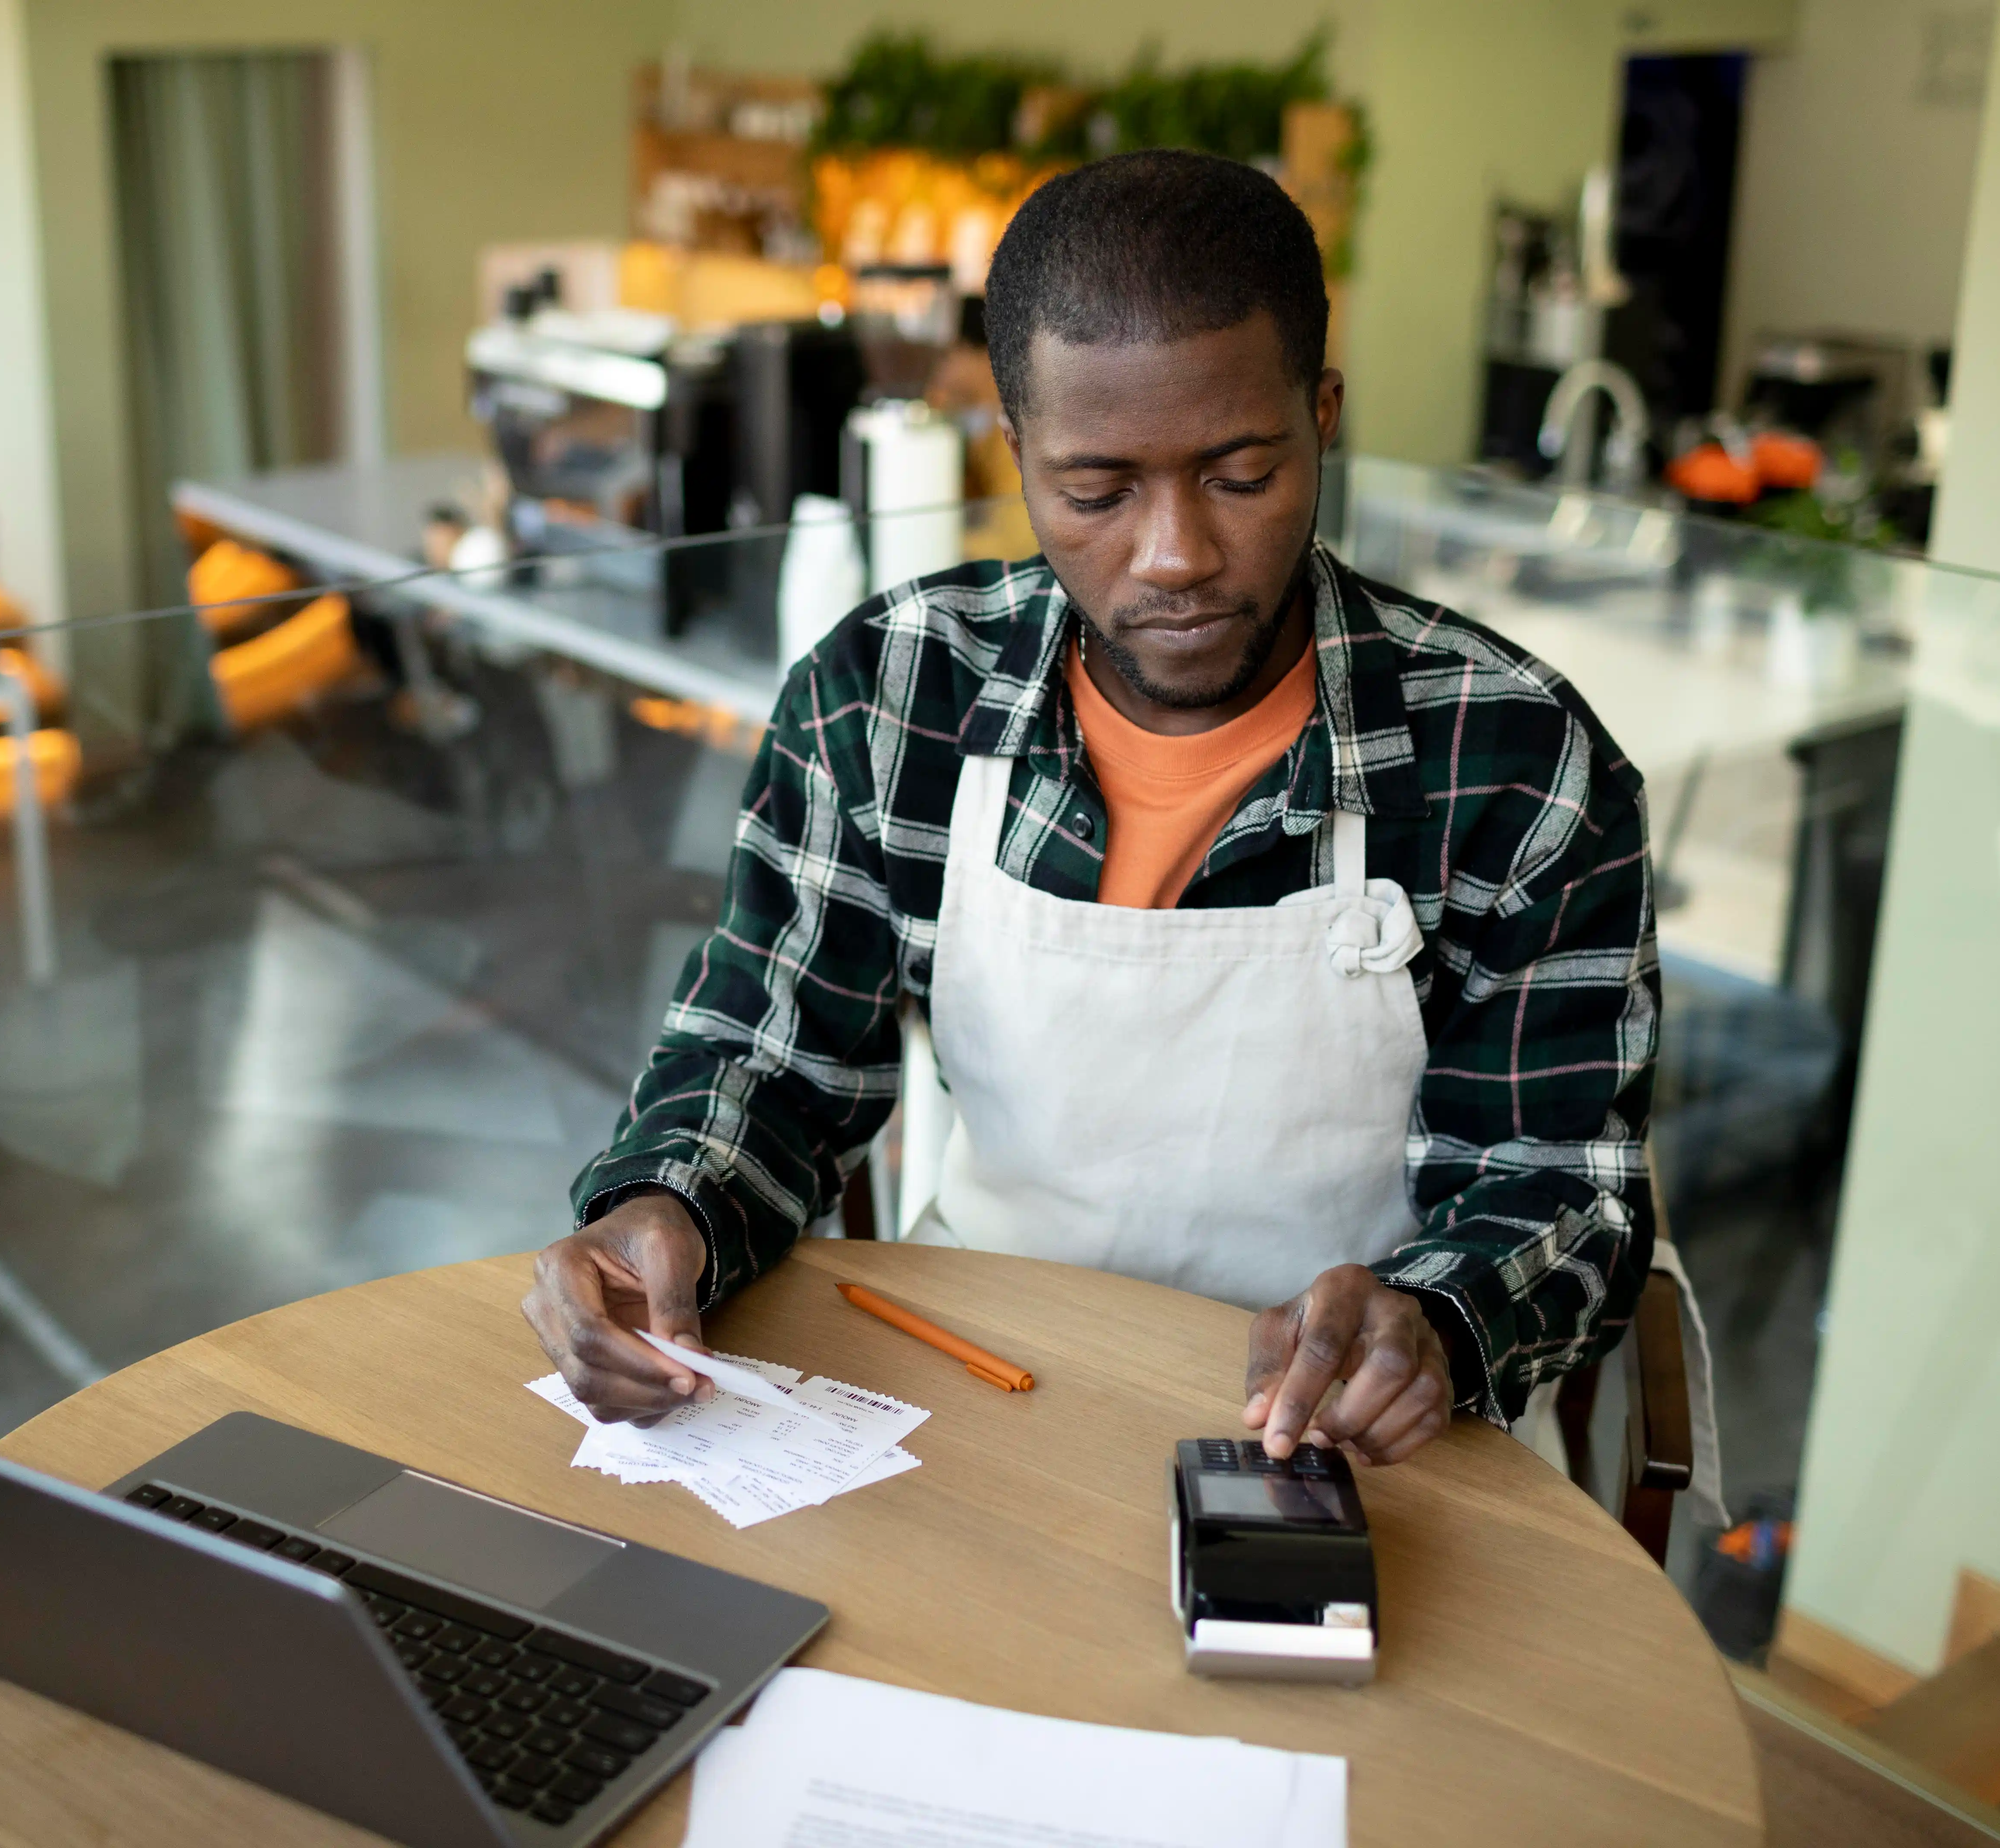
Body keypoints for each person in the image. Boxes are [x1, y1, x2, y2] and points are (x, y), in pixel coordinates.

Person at [523, 150, 1658, 1470]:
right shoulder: (892, 693)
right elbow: (767, 1060)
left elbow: (1558, 1182)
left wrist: (1438, 1318)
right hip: (966, 1389)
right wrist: (661, 1205)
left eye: (1238, 474)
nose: (1173, 554)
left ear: (1323, 417)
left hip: (1333, 1439)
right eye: (1095, 490)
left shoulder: (1513, 756)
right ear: (1014, 452)